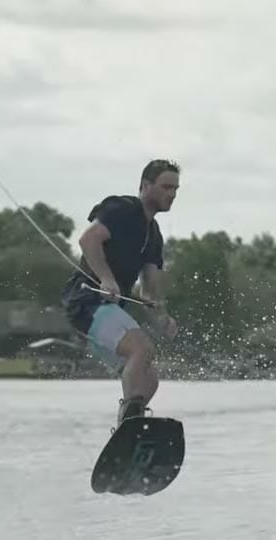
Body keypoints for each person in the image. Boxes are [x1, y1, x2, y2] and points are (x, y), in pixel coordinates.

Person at [62, 159, 181, 424]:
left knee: (149, 381)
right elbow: (88, 239)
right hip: (87, 300)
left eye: (175, 189)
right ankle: (131, 422)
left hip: (108, 309)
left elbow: (150, 288)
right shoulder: (122, 208)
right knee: (142, 348)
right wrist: (106, 278)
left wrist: (162, 316)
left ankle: (127, 429)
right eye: (165, 187)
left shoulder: (154, 235)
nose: (171, 194)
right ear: (145, 186)